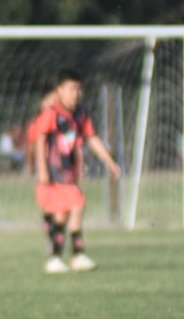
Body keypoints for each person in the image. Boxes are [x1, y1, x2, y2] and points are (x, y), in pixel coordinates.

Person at [32, 69, 122, 273]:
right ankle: (77, 254)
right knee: (78, 203)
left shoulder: (81, 115)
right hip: (54, 175)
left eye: (79, 89)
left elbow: (92, 139)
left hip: (68, 174)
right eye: (71, 89)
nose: (76, 94)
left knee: (62, 216)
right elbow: (40, 141)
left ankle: (54, 257)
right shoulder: (52, 114)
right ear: (60, 91)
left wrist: (110, 162)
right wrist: (42, 170)